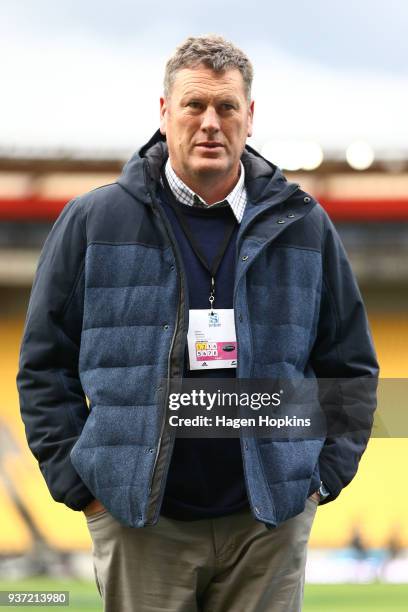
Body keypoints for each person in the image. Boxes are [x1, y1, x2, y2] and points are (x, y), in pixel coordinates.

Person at [17, 35, 379, 611]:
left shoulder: (304, 226)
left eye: (227, 107)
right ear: (164, 112)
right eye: (194, 105)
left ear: (250, 118)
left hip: (267, 529)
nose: (210, 122)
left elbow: (350, 365)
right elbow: (44, 365)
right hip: (141, 526)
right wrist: (84, 489)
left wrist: (317, 479)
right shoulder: (93, 220)